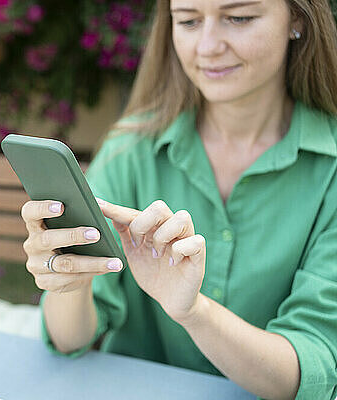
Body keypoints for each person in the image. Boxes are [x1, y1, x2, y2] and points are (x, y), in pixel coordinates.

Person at [20, 1, 337, 399]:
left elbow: (311, 371)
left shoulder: (332, 170)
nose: (207, 46)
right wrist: (69, 282)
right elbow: (69, 341)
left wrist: (194, 312)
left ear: (297, 19)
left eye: (238, 18)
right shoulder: (129, 151)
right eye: (188, 21)